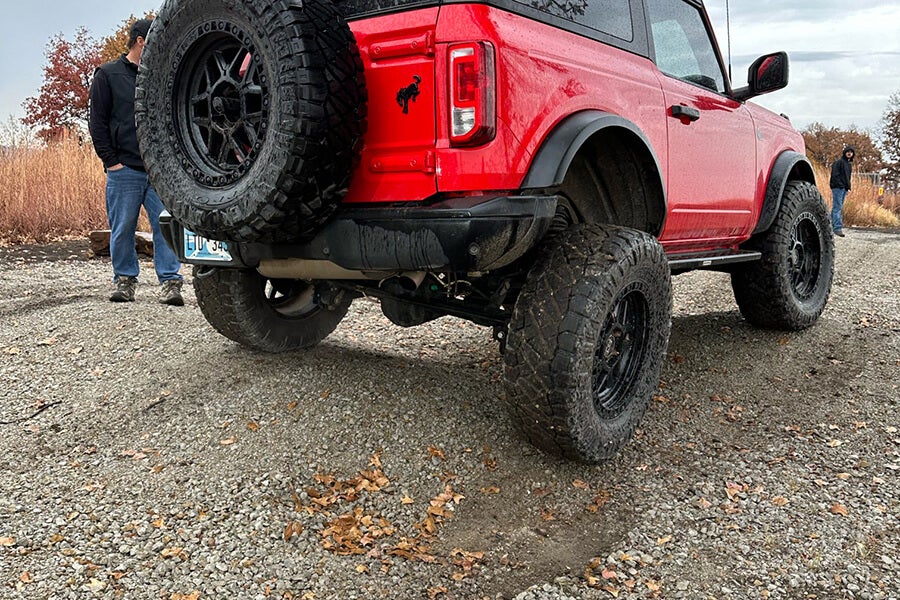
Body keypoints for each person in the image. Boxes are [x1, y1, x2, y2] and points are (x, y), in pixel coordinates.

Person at [88, 18, 184, 305]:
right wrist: (111, 161)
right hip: (124, 169)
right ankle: (125, 281)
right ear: (141, 40)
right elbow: (97, 122)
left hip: (159, 172)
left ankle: (171, 283)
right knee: (122, 229)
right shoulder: (107, 74)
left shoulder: (161, 76)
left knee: (166, 227)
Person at [829, 145, 855, 238]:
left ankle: (829, 225)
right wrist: (840, 185)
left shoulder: (849, 164)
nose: (849, 153)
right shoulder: (839, 162)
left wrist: (847, 187)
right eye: (848, 152)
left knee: (836, 208)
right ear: (845, 153)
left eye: (851, 152)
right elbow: (834, 175)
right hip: (838, 188)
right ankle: (837, 228)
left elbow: (848, 177)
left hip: (844, 188)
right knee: (837, 208)